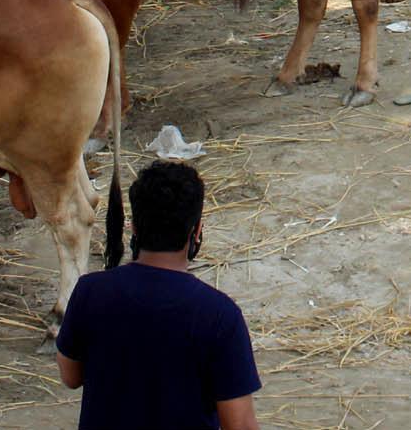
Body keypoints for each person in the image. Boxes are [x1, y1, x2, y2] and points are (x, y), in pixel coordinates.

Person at [56, 160, 262, 430]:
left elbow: (70, 376)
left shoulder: (90, 291)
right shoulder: (220, 316)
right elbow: (240, 425)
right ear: (196, 232)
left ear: (134, 229)